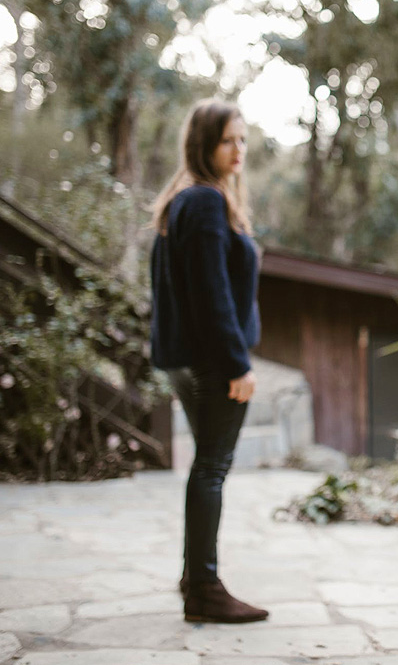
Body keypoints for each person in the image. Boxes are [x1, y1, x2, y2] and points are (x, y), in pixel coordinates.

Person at [149, 98, 267, 623]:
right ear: (204, 145)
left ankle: (195, 577)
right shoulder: (202, 203)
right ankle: (204, 588)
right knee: (211, 468)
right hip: (211, 364)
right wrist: (237, 364)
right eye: (227, 140)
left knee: (207, 467)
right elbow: (210, 294)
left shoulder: (189, 200)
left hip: (193, 360)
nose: (238, 149)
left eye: (242, 139)